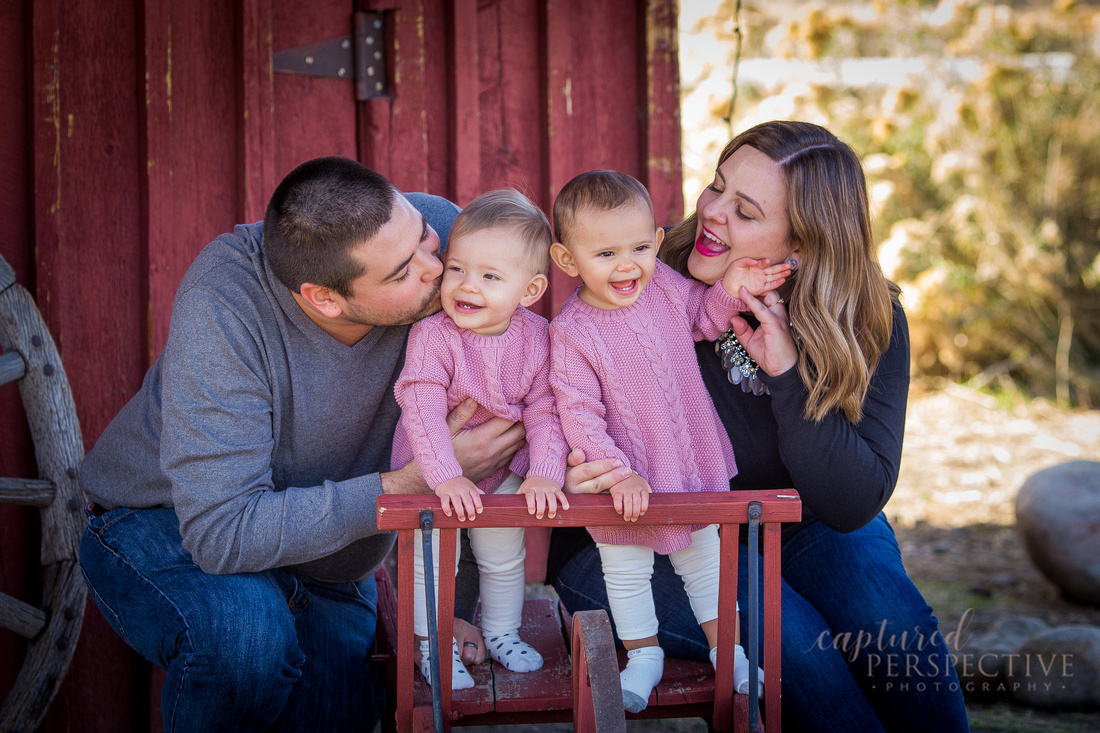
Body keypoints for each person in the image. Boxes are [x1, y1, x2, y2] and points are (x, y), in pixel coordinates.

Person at [77, 157, 524, 732]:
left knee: (341, 713)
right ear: (325, 299)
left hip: (328, 561)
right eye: (400, 274)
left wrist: (450, 611)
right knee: (245, 639)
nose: (438, 268)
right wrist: (409, 485)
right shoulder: (226, 307)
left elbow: (501, 411)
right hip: (165, 526)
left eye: (421, 236)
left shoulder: (449, 238)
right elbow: (221, 534)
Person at [548, 122, 970, 731]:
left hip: (804, 521)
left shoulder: (864, 314)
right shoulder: (644, 274)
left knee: (896, 639)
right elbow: (553, 383)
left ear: (802, 244)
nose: (712, 212)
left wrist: (789, 378)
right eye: (717, 186)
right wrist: (568, 454)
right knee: (798, 651)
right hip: (638, 538)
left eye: (744, 211)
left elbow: (852, 501)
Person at [547, 170, 789, 712]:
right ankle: (644, 655)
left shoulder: (665, 288)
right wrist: (616, 472)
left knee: (707, 564)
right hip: (622, 486)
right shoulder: (571, 332)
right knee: (626, 571)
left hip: (686, 460)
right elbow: (578, 415)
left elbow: (704, 319)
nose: (627, 264)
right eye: (605, 253)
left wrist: (727, 290)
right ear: (567, 261)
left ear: (658, 242)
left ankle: (729, 654)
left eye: (638, 247)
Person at [389, 188, 569, 689]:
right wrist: (443, 476)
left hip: (506, 471)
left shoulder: (537, 337)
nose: (468, 285)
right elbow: (420, 407)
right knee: (434, 557)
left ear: (529, 291)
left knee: (504, 552)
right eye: (458, 269)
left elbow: (546, 410)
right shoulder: (434, 336)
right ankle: (433, 645)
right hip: (435, 471)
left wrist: (544, 473)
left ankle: (501, 632)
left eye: (490, 276)